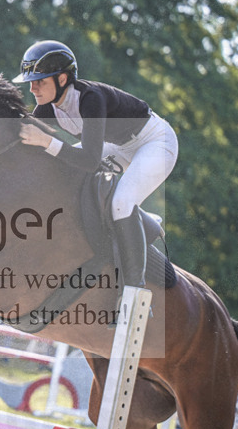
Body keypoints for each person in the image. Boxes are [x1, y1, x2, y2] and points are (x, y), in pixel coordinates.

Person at [13, 39, 178, 290]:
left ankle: (134, 291)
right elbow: (20, 134)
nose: (33, 88)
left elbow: (90, 161)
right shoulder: (47, 108)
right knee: (63, 169)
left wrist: (47, 141)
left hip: (154, 142)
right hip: (118, 145)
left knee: (121, 203)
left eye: (40, 81)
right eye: (31, 82)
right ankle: (138, 220)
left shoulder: (90, 98)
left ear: (62, 79)